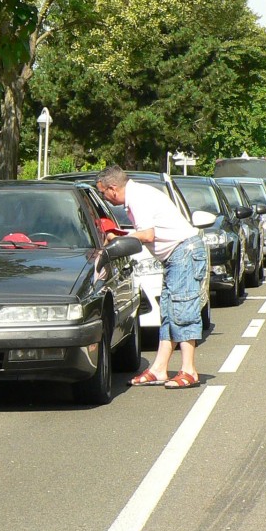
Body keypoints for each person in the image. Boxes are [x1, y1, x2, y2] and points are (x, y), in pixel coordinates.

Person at [96, 164, 206, 389]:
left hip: (184, 252)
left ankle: (189, 370)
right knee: (168, 312)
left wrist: (118, 240)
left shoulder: (138, 198)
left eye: (102, 192)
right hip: (176, 256)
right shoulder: (137, 195)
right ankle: (159, 368)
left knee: (182, 310)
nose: (103, 197)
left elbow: (147, 234)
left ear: (113, 188)